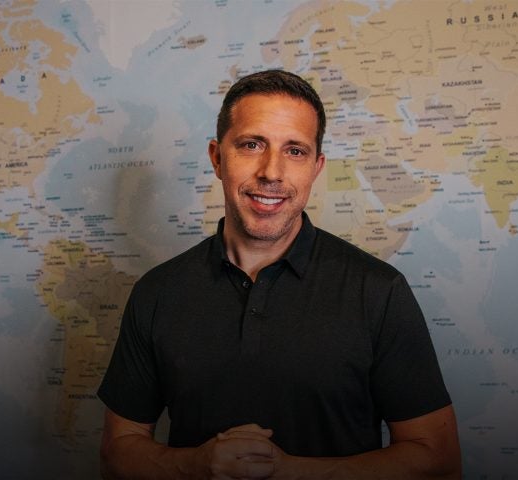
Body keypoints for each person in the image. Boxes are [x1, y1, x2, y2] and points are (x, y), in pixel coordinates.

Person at [98, 69, 461, 479]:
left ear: (316, 167)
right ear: (217, 157)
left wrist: (289, 472)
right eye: (251, 145)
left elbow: (439, 460)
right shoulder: (157, 292)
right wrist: (193, 465)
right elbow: (117, 451)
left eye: (295, 151)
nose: (271, 172)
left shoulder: (379, 291)